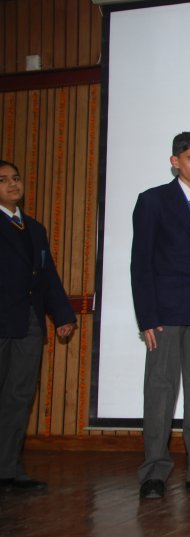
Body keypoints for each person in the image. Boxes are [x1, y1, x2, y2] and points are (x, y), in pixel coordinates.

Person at [130, 132, 190, 500]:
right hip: (165, 312)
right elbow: (141, 262)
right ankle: (154, 470)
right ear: (175, 161)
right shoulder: (153, 200)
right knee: (161, 389)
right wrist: (146, 317)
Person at [0, 160, 76, 493]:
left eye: (16, 178)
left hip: (28, 323)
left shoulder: (33, 227)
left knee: (18, 398)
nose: (13, 184)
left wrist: (62, 315)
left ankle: (8, 469)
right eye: (3, 180)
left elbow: (47, 276)